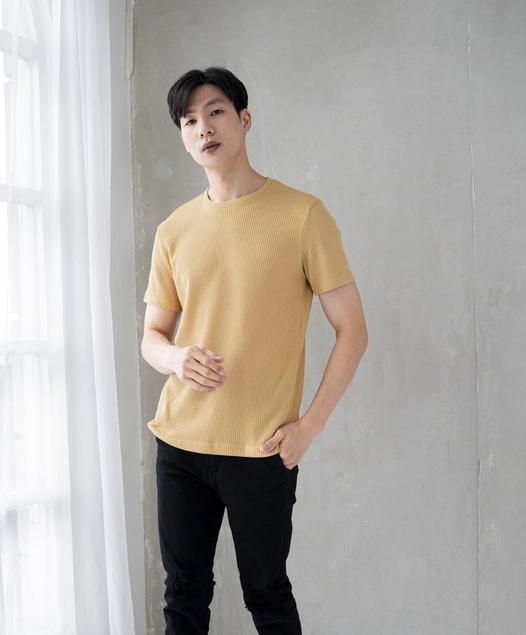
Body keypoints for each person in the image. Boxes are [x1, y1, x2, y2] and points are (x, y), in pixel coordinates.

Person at [141, 67, 368, 635]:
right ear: (183, 137)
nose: (203, 128)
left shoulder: (303, 215)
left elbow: (353, 329)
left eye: (215, 112)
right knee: (183, 597)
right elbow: (152, 337)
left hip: (262, 446)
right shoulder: (174, 230)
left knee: (267, 596)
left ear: (244, 120)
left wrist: (310, 426)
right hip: (180, 443)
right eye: (189, 121)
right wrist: (175, 359)